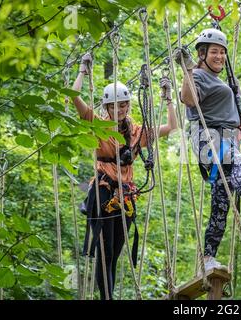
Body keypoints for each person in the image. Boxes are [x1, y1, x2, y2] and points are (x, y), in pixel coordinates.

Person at [71, 53, 177, 299]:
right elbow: (73, 96)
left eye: (123, 104)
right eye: (113, 105)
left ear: (128, 105)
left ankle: (107, 294)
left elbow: (172, 128)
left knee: (115, 252)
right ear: (106, 107)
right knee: (104, 250)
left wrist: (168, 98)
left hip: (126, 195)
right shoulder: (97, 124)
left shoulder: (137, 132)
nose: (119, 109)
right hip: (104, 191)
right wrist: (82, 70)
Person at [174, 28, 241, 273]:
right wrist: (187, 69)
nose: (220, 57)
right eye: (214, 52)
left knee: (221, 204)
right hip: (208, 137)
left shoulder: (221, 81)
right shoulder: (198, 75)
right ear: (202, 54)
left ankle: (208, 257)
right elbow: (189, 99)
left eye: (223, 53)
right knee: (237, 164)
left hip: (227, 138)